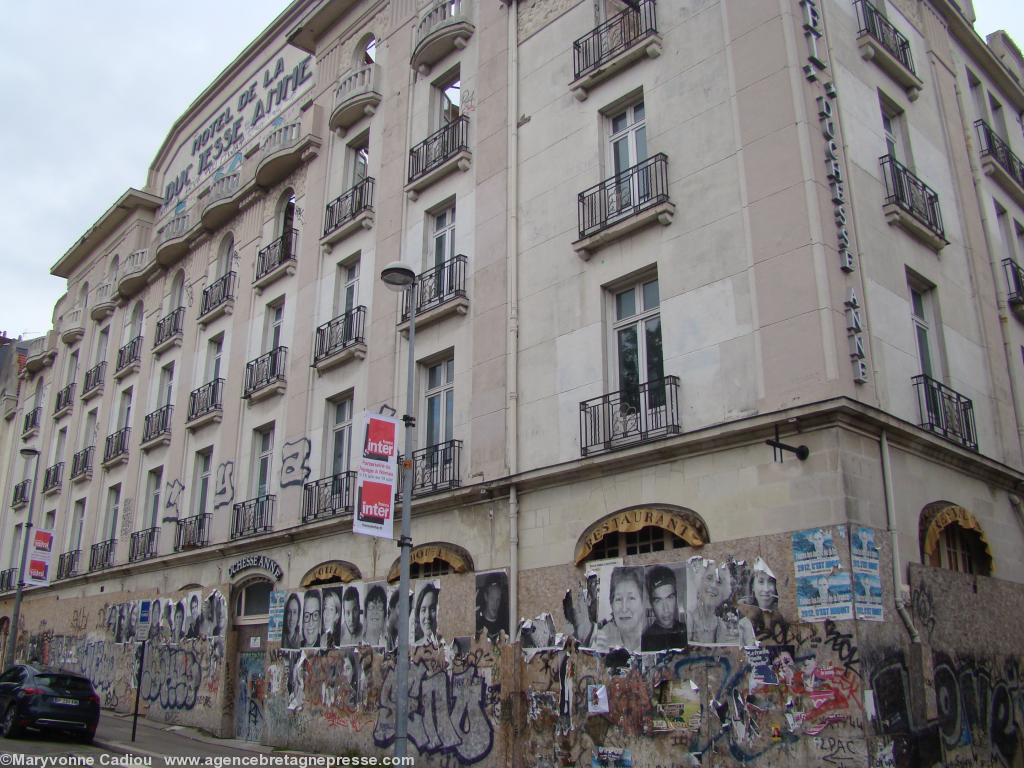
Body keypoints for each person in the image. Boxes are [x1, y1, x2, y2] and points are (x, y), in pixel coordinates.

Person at [641, 565, 686, 652]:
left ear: (676, 597)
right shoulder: (646, 640)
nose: (666, 609)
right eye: (658, 600)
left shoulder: (685, 631)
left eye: (669, 597)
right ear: (651, 603)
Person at [600, 566, 644, 653]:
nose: (624, 609)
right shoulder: (604, 637)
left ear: (643, 602)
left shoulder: (656, 639)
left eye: (631, 598)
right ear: (611, 604)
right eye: (618, 599)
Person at [688, 562, 733, 645]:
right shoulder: (689, 619)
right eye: (709, 578)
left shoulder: (721, 626)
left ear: (724, 590)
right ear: (699, 581)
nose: (713, 585)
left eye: (719, 582)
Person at [563, 574, 599, 647]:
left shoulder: (603, 637)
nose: (574, 606)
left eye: (578, 596)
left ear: (588, 599)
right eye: (569, 600)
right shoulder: (566, 644)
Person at [476, 573, 509, 642]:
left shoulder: (505, 626)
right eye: (492, 598)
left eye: (498, 599)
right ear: (486, 597)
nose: (495, 604)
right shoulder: (477, 626)